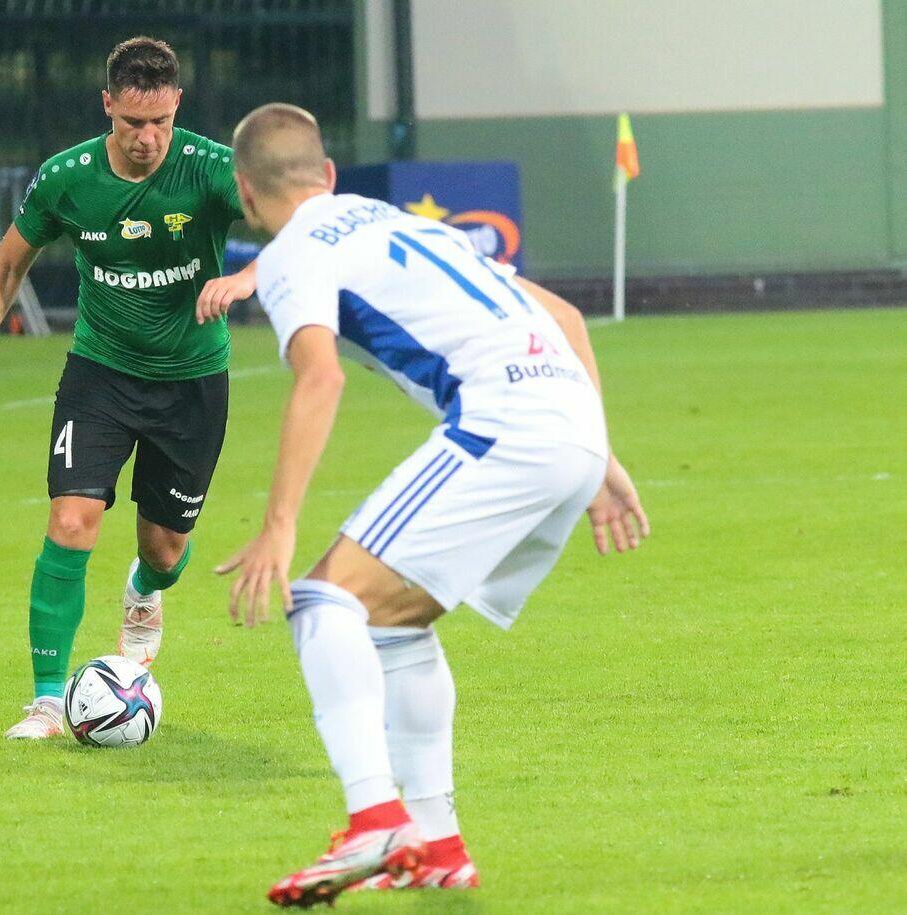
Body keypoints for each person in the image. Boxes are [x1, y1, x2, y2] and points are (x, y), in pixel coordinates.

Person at [210, 104, 650, 906]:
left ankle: (375, 819)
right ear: (328, 174)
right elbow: (566, 317)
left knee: (323, 600)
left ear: (245, 191)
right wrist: (602, 455)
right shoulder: (398, 221)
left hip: (505, 421)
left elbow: (320, 377)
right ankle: (439, 844)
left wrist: (278, 524)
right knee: (393, 623)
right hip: (571, 423)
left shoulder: (291, 252)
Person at [0, 38, 255, 739]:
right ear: (107, 104)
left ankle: (143, 591)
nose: (147, 138)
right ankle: (48, 702)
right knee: (72, 520)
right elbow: (5, 268)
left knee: (164, 549)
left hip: (192, 381)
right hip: (100, 374)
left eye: (160, 122)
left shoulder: (211, 168)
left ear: (177, 106)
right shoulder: (67, 178)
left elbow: (300, 224)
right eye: (133, 122)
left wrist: (246, 277)